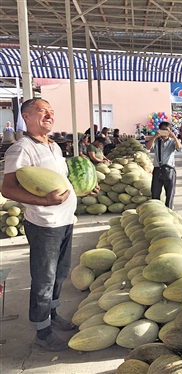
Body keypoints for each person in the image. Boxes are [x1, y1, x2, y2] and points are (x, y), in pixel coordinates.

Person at [1, 98, 95, 351]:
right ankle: (41, 331)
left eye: (52, 112)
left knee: (60, 274)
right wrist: (43, 201)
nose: (49, 116)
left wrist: (83, 189)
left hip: (64, 220)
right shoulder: (21, 149)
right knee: (44, 278)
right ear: (27, 117)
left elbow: (58, 181)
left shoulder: (53, 146)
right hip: (44, 224)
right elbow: (8, 189)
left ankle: (52, 316)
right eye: (42, 111)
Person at [146, 122, 182, 209]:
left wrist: (174, 137)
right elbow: (148, 147)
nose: (164, 132)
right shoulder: (157, 141)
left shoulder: (172, 141)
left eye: (166, 130)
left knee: (170, 193)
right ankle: (156, 210)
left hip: (169, 170)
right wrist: (154, 136)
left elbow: (179, 148)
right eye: (162, 129)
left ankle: (169, 210)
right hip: (158, 169)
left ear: (170, 131)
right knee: (155, 192)